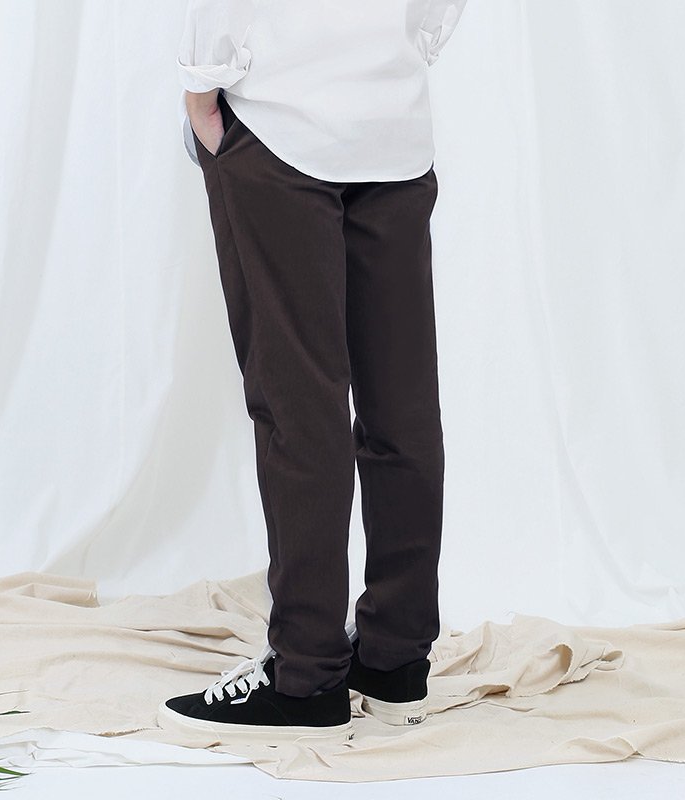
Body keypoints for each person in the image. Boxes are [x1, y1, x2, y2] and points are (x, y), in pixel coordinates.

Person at [157, 0, 468, 747]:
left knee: (298, 407)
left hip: (282, 125)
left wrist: (202, 85)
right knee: (402, 409)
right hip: (393, 126)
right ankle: (395, 659)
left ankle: (305, 675)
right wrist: (402, 48)